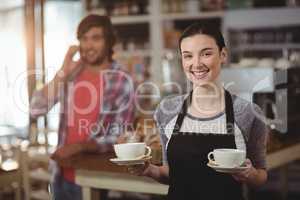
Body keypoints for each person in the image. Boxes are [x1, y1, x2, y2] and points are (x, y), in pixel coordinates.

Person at [127, 23, 268, 200]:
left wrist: (250, 174)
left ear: (223, 55)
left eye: (206, 54)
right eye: (188, 56)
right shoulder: (167, 111)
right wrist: (149, 170)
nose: (196, 64)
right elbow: (172, 174)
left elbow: (261, 176)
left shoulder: (248, 112)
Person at [30, 14, 134, 200]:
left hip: (94, 178)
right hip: (60, 175)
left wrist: (79, 146)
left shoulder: (121, 80)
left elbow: (119, 136)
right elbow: (36, 109)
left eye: (96, 38)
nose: (89, 45)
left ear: (109, 41)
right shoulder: (72, 73)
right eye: (84, 39)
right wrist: (63, 72)